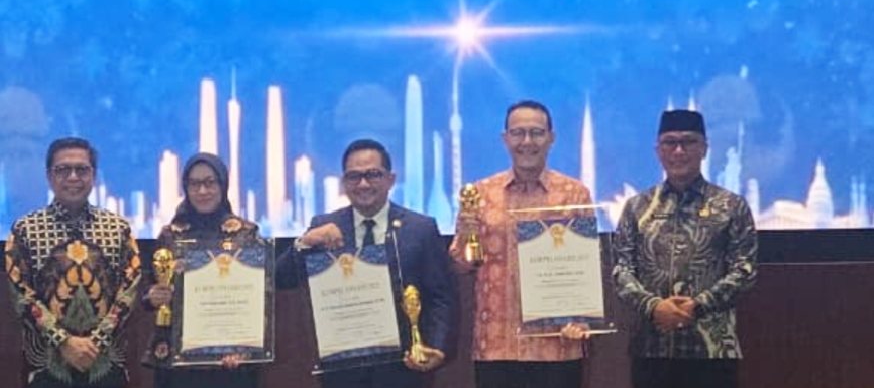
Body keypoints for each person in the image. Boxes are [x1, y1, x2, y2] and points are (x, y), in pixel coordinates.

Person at [276, 138, 455, 388]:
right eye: (354, 176)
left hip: (405, 369)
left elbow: (441, 297)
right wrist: (303, 243)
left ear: (390, 179)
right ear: (344, 182)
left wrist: (436, 346)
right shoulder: (323, 227)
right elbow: (281, 278)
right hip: (342, 370)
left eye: (373, 175)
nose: (363, 184)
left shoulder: (420, 229)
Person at [450, 100, 592, 388]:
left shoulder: (574, 193)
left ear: (551, 138)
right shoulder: (480, 194)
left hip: (557, 344)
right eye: (518, 133)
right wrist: (466, 234)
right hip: (496, 345)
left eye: (536, 133)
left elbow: (585, 269)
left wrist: (582, 316)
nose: (527, 141)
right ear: (505, 139)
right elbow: (462, 264)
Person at [612, 109, 758, 388]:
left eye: (688, 142)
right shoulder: (637, 207)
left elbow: (745, 270)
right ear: (658, 151)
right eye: (670, 142)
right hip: (651, 348)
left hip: (713, 349)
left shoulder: (731, 206)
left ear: (704, 149)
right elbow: (621, 270)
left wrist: (697, 306)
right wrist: (654, 306)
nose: (678, 151)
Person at [4, 137, 142, 388]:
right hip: (47, 366)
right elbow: (21, 294)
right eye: (63, 170)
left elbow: (129, 287)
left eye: (82, 169)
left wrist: (97, 340)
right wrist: (64, 341)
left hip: (105, 362)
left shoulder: (118, 228)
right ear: (49, 176)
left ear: (93, 175)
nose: (73, 177)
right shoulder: (25, 229)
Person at [141, 152, 261, 388]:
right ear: (185, 188)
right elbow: (149, 290)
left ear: (223, 185)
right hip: (178, 361)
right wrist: (153, 297)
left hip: (230, 361)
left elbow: (257, 298)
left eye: (209, 182)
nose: (202, 191)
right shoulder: (170, 235)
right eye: (194, 184)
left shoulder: (245, 233)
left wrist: (244, 347)